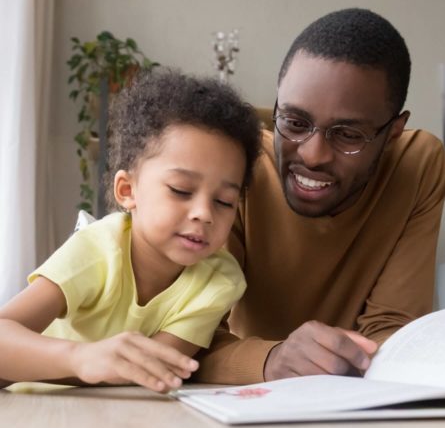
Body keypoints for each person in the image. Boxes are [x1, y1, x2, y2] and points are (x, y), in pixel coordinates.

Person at [195, 8, 445, 384]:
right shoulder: (235, 164)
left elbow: (393, 329)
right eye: (295, 123)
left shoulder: (417, 165)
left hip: (351, 403)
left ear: (394, 131)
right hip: (245, 402)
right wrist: (272, 360)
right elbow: (184, 340)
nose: (312, 155)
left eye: (347, 135)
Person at [0, 68, 261, 392]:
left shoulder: (220, 280)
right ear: (127, 190)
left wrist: (111, 368)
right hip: (35, 414)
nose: (204, 214)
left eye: (224, 201)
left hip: (118, 421)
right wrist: (82, 359)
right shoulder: (98, 249)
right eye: (181, 190)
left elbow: (155, 371)